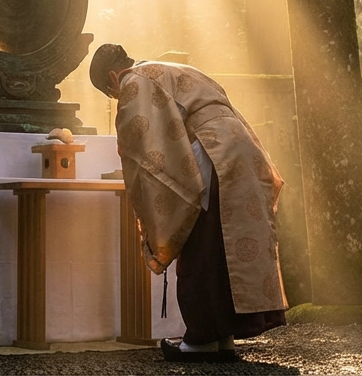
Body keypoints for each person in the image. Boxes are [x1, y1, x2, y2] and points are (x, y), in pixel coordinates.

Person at [90, 43, 287, 363]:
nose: (116, 97)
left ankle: (199, 341)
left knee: (200, 243)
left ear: (113, 77)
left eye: (110, 93)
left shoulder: (133, 81)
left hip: (207, 154)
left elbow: (141, 144)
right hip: (242, 148)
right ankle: (223, 336)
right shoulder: (177, 69)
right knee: (228, 244)